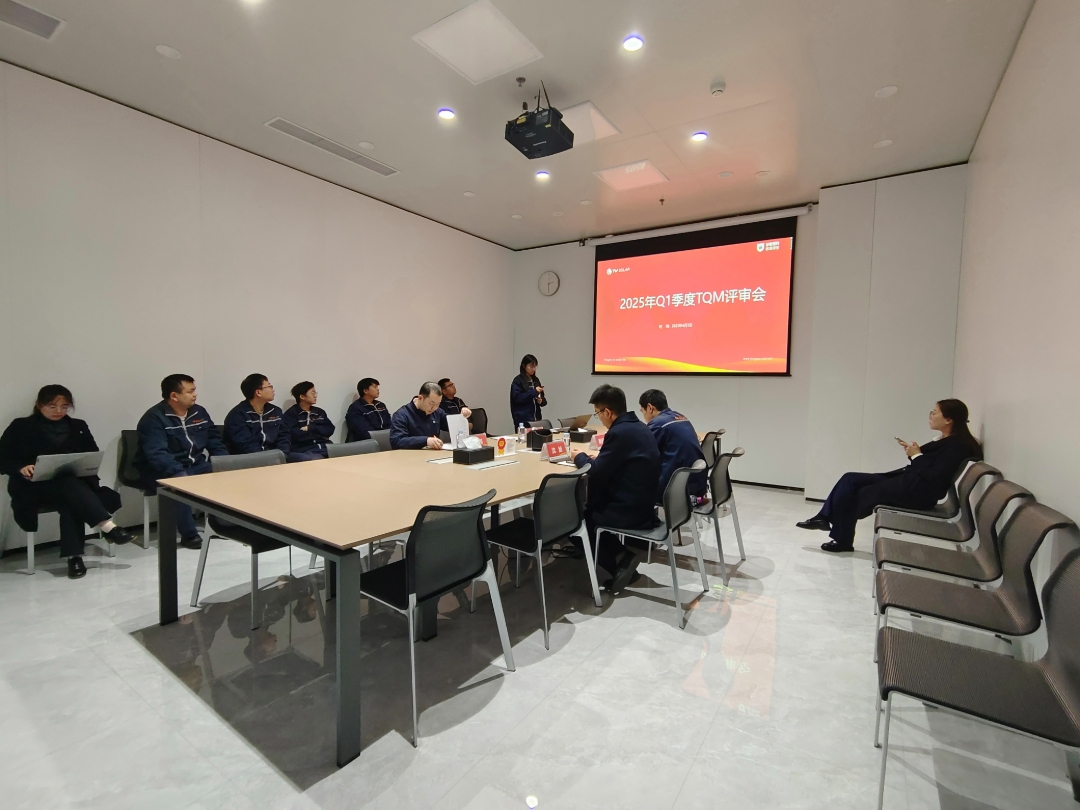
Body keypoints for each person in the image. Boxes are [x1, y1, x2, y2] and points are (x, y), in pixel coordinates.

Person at [798, 399, 984, 552]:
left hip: (917, 492)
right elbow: (929, 465)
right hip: (908, 481)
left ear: (948, 420)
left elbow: (934, 477)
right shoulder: (948, 441)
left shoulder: (957, 446)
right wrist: (915, 453)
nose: (931, 416)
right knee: (850, 479)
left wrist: (916, 455)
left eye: (934, 412)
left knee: (859, 493)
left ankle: (840, 537)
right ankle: (824, 519)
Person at [0, 385, 135, 579]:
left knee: (69, 493)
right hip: (33, 487)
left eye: (64, 407)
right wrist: (21, 467)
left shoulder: (78, 426)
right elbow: (3, 457)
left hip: (73, 487)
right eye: (52, 406)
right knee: (70, 488)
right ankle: (105, 529)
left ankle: (76, 556)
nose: (59, 411)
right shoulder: (20, 426)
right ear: (38, 405)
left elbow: (92, 454)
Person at [573, 384, 661, 594]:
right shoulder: (639, 427)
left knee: (575, 523)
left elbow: (595, 471)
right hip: (645, 505)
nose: (599, 418)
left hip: (630, 511)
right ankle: (623, 559)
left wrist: (578, 456)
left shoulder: (619, 433)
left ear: (608, 412)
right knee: (586, 515)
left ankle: (620, 564)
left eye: (598, 414)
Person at [136, 374, 228, 551]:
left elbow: (214, 440)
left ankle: (224, 525)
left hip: (197, 465)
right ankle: (189, 535)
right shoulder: (154, 418)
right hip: (162, 469)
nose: (195, 394)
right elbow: (157, 454)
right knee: (179, 483)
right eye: (190, 391)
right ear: (174, 396)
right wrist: (177, 471)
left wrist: (223, 462)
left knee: (229, 475)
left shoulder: (199, 412)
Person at [639, 389, 707, 504]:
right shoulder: (680, 417)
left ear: (650, 408)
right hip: (696, 483)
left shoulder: (657, 423)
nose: (644, 416)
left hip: (675, 488)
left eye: (642, 411)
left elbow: (641, 452)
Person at [223, 374, 289, 455]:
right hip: (250, 458)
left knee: (299, 458)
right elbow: (245, 445)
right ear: (258, 392)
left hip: (275, 456)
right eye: (269, 386)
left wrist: (282, 454)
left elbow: (284, 436)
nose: (273, 390)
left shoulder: (275, 411)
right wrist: (266, 458)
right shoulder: (237, 415)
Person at [282, 382, 334, 462]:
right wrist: (319, 432)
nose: (315, 395)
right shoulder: (291, 414)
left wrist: (310, 428)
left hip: (325, 446)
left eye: (315, 392)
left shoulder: (319, 412)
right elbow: (296, 436)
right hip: (305, 449)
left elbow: (330, 430)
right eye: (312, 393)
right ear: (302, 396)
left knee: (344, 454)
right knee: (317, 460)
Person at [390, 382, 448, 449]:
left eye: (438, 404)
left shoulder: (437, 412)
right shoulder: (402, 415)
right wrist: (426, 441)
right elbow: (397, 441)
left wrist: (459, 419)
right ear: (420, 398)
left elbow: (451, 424)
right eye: (432, 403)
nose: (435, 408)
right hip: (411, 454)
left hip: (433, 453)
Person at [511, 354, 547, 429]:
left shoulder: (535, 380)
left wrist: (541, 401)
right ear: (524, 366)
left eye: (535, 366)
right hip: (523, 420)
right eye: (531, 366)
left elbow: (543, 399)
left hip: (536, 419)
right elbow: (518, 398)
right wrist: (534, 392)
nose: (533, 369)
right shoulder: (518, 381)